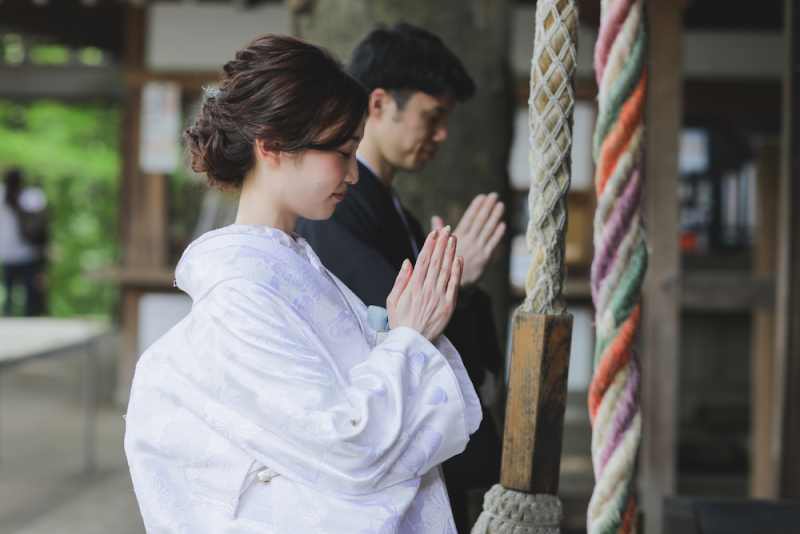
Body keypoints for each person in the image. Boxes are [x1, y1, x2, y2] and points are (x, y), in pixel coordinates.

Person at [124, 34, 482, 534]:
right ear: (271, 144)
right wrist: (408, 340)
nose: (353, 173)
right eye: (341, 151)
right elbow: (343, 444)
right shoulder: (238, 292)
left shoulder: (293, 263)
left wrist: (402, 337)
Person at [294, 24, 505, 531]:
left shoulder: (395, 213)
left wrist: (461, 290)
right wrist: (454, 291)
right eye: (432, 117)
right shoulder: (334, 213)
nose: (442, 135)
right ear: (381, 104)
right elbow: (390, 329)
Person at [0, 167, 48, 316]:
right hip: (28, 252)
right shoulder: (32, 197)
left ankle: (7, 319)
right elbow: (42, 222)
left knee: (8, 292)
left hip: (6, 252)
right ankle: (29, 319)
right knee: (29, 293)